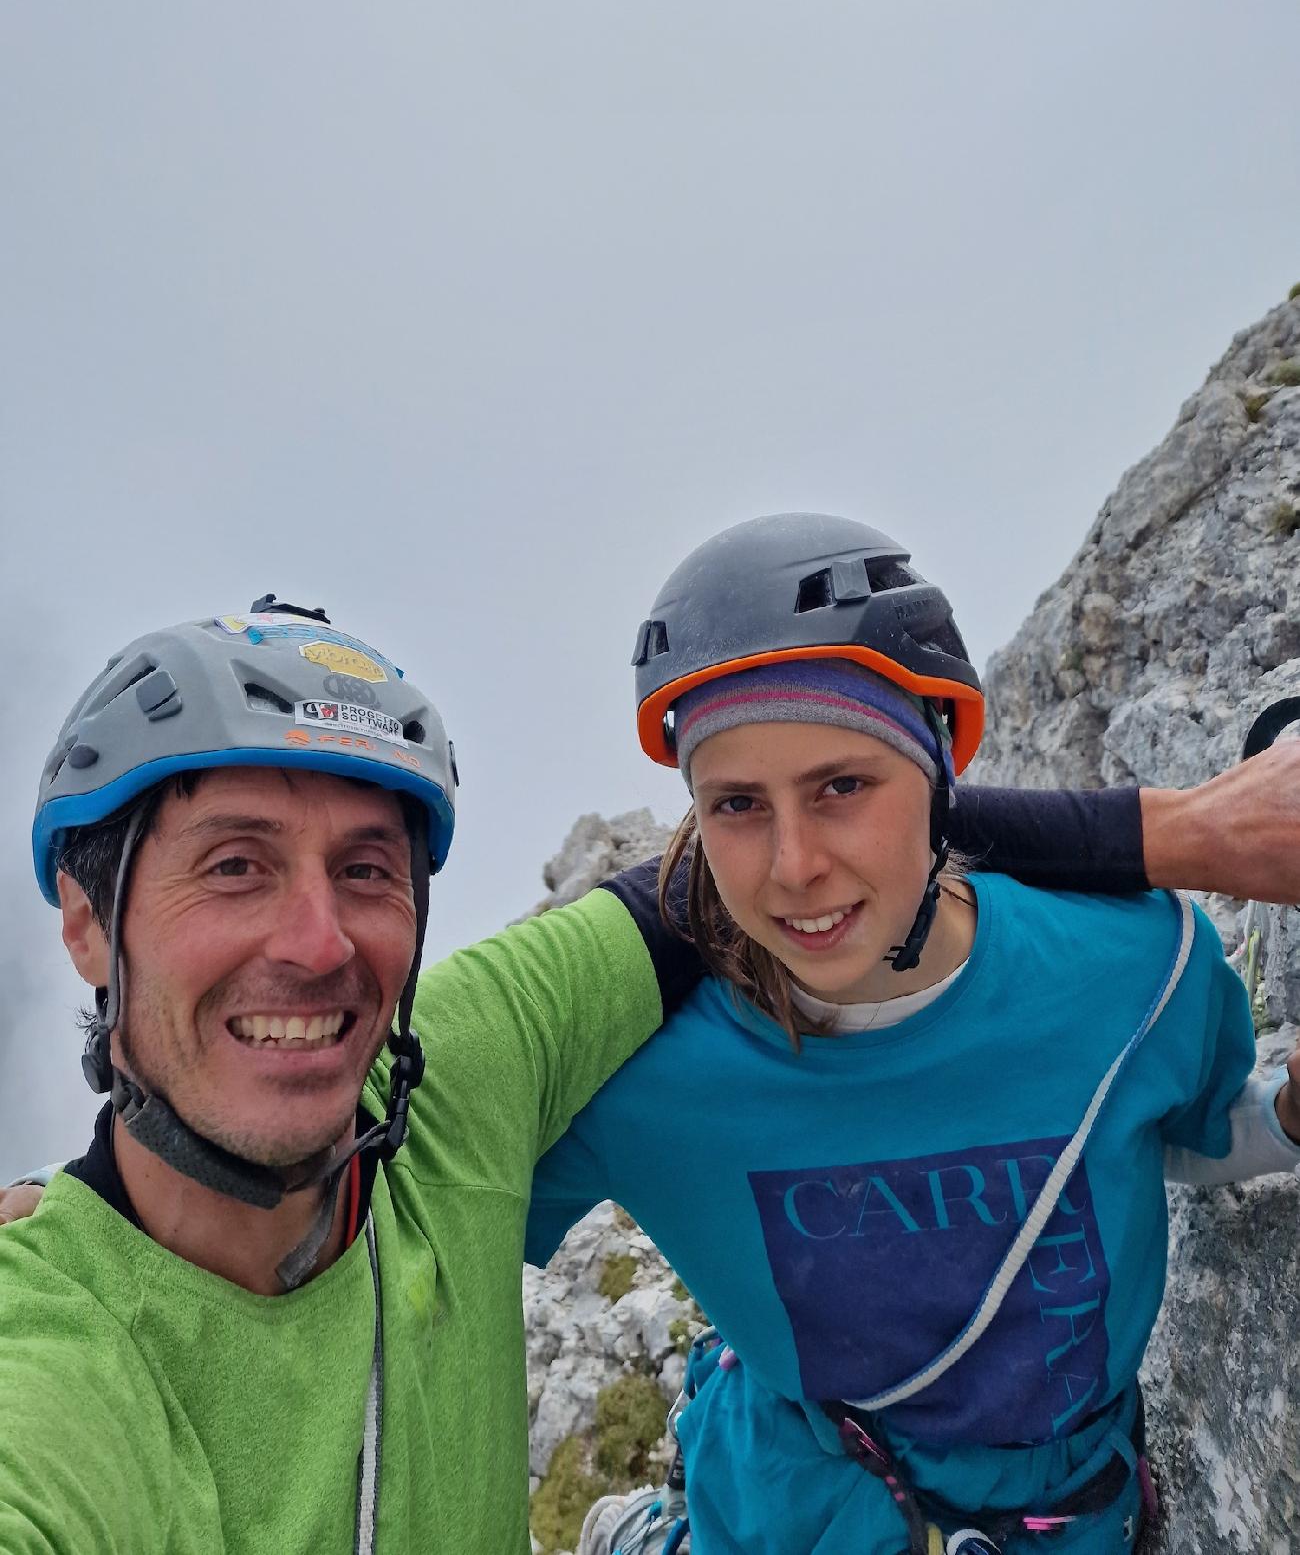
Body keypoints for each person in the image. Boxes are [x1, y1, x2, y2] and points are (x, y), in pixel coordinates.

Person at [0, 588, 1298, 1555]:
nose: (317, 940)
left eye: (366, 870)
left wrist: (1191, 830)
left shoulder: (449, 1090)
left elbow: (743, 878)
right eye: (233, 865)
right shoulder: (49, 1387)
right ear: (84, 917)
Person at [526, 514, 1300, 1555]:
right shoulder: (634, 1069)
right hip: (785, 1511)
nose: (793, 863)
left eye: (842, 785)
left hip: (1060, 1510)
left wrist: (1289, 1113)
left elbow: (1197, 1133)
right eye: (737, 804)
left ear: (939, 766)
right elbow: (421, 1236)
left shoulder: (1134, 964)